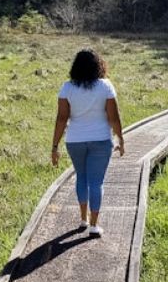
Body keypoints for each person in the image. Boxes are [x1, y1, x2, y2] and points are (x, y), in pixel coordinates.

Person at [51, 49, 125, 237]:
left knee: (82, 178)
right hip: (101, 139)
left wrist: (54, 147)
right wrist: (120, 139)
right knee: (96, 181)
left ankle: (83, 219)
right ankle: (94, 225)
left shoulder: (67, 88)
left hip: (75, 141)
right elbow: (114, 118)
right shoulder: (105, 86)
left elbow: (61, 119)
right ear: (98, 65)